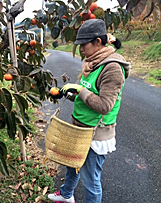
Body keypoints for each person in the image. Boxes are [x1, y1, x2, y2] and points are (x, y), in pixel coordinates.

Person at [48, 19, 131, 203]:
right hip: (80, 128)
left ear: (98, 42)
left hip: (95, 134)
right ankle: (67, 195)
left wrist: (79, 90)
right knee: (72, 164)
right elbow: (85, 95)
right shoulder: (92, 63)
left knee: (90, 180)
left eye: (83, 45)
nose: (80, 50)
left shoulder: (112, 68)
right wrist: (66, 93)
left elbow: (104, 105)